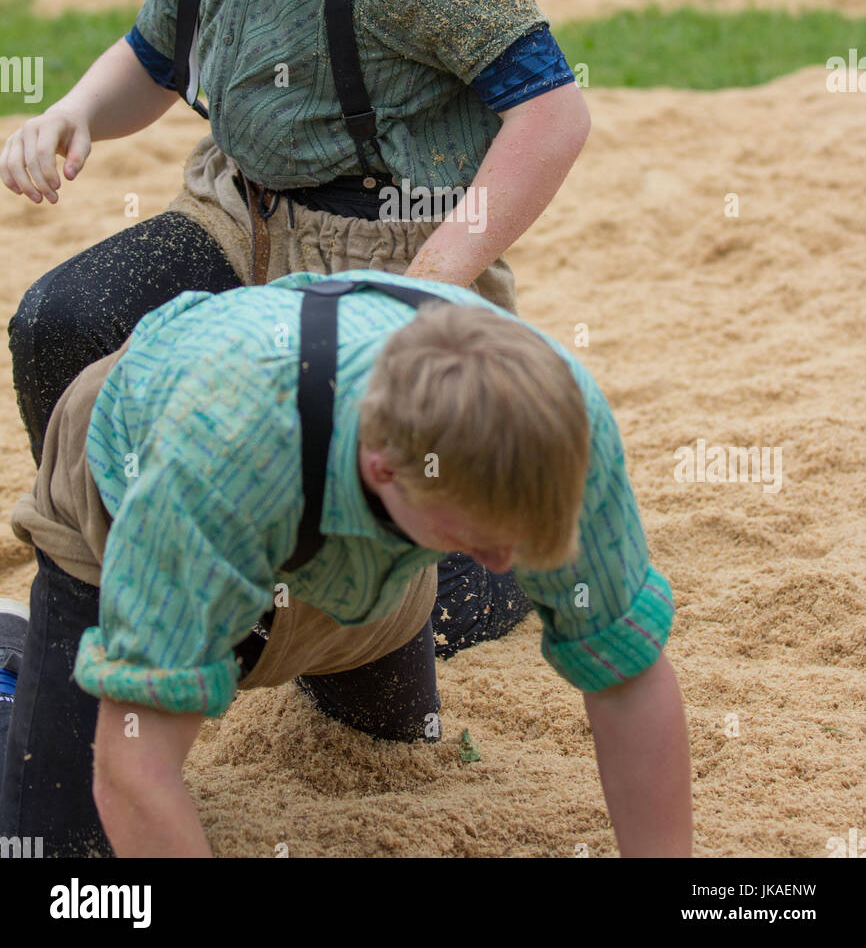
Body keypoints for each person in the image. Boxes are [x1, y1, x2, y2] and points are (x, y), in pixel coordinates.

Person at [0, 0, 590, 681]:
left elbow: (552, 110)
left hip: (382, 246)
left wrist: (434, 278)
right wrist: (71, 112)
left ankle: (413, 612)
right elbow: (151, 60)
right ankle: (154, 591)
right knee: (64, 319)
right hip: (238, 213)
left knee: (371, 636)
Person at [0, 267, 689, 858]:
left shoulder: (559, 420)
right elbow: (136, 769)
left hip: (338, 545)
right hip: (134, 495)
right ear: (383, 467)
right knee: (62, 848)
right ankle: (16, 659)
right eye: (476, 537)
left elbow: (624, 669)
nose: (503, 561)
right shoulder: (218, 458)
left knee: (393, 744)